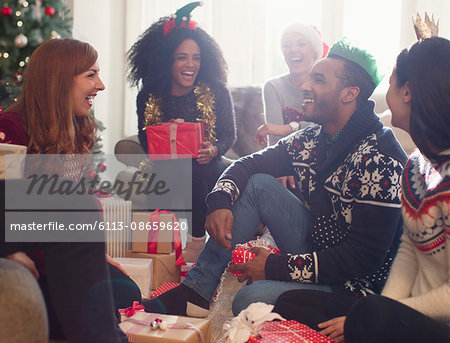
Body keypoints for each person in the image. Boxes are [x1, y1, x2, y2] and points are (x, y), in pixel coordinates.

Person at [141, 38, 407, 319]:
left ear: (349, 94)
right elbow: (248, 165)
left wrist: (276, 267)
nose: (304, 86)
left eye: (318, 80)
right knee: (258, 185)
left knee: (250, 299)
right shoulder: (314, 138)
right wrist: (219, 200)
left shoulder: (379, 158)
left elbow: (362, 259)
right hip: (321, 251)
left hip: (358, 287)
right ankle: (196, 291)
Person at [274, 34, 450, 343]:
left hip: (440, 324)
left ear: (407, 92)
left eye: (392, 81)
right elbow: (410, 251)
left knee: (362, 317)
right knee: (287, 305)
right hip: (401, 310)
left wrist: (378, 316)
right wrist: (379, 312)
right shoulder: (416, 167)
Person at [0, 38, 139, 343]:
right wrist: (11, 250)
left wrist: (93, 253)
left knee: (127, 291)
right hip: (41, 264)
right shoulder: (10, 129)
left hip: (62, 258)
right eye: (91, 75)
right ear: (60, 79)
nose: (100, 85)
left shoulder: (76, 128)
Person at [127, 2, 236, 263]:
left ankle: (197, 241)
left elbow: (229, 135)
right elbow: (145, 139)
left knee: (196, 170)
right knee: (163, 177)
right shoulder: (148, 96)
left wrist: (213, 149)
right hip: (168, 167)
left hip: (207, 166)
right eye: (182, 57)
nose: (191, 64)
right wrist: (167, 134)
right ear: (167, 61)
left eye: (196, 57)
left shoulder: (217, 91)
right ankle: (158, 252)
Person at [256, 23, 328, 147]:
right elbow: (275, 143)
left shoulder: (327, 85)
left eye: (301, 44)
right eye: (287, 45)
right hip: (285, 159)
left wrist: (289, 128)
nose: (293, 49)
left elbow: (329, 127)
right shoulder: (273, 87)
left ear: (315, 52)